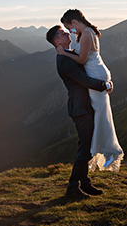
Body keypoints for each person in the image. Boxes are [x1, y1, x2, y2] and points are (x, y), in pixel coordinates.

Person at [46, 25, 110, 200]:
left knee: (87, 146)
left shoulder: (68, 55)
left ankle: (84, 183)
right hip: (80, 108)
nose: (67, 33)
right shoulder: (64, 61)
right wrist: (105, 85)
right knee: (86, 149)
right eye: (63, 33)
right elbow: (84, 80)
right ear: (57, 41)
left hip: (84, 106)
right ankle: (73, 187)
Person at [57, 9, 124, 173]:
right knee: (99, 113)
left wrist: (64, 52)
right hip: (97, 72)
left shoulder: (86, 33)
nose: (71, 33)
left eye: (70, 29)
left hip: (95, 74)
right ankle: (95, 148)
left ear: (74, 22)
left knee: (98, 115)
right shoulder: (88, 32)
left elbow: (82, 59)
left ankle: (97, 148)